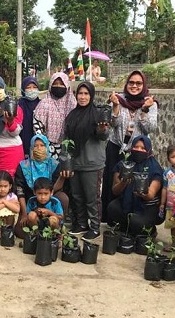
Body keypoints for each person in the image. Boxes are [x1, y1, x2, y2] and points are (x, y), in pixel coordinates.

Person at [102, 70, 157, 222]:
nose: (134, 86)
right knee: (113, 184)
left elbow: (150, 129)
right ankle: (111, 218)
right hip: (116, 147)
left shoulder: (150, 103)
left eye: (138, 83)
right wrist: (115, 106)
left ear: (143, 85)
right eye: (131, 82)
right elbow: (114, 124)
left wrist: (144, 110)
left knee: (133, 184)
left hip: (137, 152)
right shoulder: (119, 99)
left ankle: (131, 218)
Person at [64, 81, 110, 240]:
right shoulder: (72, 115)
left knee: (92, 198)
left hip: (92, 163)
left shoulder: (98, 114)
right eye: (80, 93)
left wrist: (102, 129)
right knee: (77, 196)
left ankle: (95, 227)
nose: (82, 97)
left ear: (91, 95)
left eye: (86, 94)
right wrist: (67, 161)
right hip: (76, 163)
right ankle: (82, 224)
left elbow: (103, 135)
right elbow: (67, 139)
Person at [107, 135, 164, 237]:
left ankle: (151, 231)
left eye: (143, 148)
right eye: (136, 147)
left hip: (147, 207)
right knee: (112, 208)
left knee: (137, 222)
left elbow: (151, 195)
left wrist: (142, 192)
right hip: (127, 202)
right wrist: (123, 182)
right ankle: (126, 228)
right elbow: (115, 191)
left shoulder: (155, 168)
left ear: (149, 150)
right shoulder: (123, 164)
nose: (138, 150)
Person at [14, 135, 70, 238]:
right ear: (31, 148)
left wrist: (62, 178)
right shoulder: (23, 166)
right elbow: (20, 190)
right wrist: (24, 214)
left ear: (47, 147)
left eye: (42, 145)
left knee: (63, 197)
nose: (39, 148)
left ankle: (57, 229)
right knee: (19, 232)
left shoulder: (54, 164)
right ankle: (37, 232)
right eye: (35, 146)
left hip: (50, 203)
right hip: (31, 203)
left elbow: (55, 188)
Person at [33, 72, 76, 159]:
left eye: (61, 84)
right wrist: (43, 146)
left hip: (69, 148)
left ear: (67, 86)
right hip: (48, 149)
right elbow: (37, 128)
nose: (58, 86)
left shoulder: (73, 105)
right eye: (55, 84)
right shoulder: (44, 104)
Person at [0, 170, 20, 240]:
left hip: (8, 220)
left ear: (10, 186)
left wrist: (2, 201)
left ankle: (9, 231)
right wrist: (7, 203)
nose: (2, 189)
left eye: (5, 186)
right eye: (0, 186)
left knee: (10, 213)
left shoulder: (12, 196)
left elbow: (17, 209)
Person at [18, 76, 41, 158]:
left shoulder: (42, 104)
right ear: (23, 90)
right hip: (21, 142)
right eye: (28, 87)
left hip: (39, 145)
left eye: (35, 87)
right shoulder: (19, 104)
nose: (32, 90)